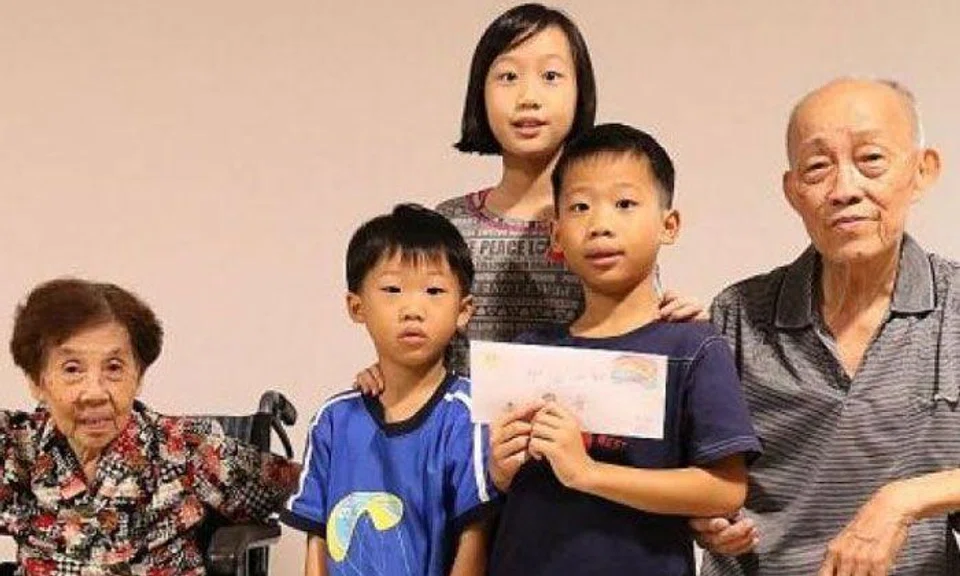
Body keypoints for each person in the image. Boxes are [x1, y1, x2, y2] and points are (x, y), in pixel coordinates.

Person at [356, 3, 699, 393]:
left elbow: (635, 333)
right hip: (468, 443)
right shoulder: (450, 223)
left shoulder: (602, 227)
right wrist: (391, 370)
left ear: (580, 90)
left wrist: (682, 326)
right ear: (479, 92)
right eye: (507, 76)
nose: (528, 97)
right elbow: (425, 333)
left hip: (584, 438)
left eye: (551, 76)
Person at [694, 78, 960, 576]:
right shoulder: (737, 313)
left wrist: (905, 498)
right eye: (818, 167)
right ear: (793, 191)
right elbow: (701, 478)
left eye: (871, 160)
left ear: (923, 171)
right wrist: (704, 519)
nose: (844, 190)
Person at [486, 123, 761, 576]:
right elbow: (493, 486)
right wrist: (498, 471)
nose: (600, 224)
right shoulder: (529, 351)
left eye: (625, 204)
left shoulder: (691, 346)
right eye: (579, 207)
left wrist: (587, 473)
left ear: (668, 225)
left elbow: (725, 489)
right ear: (556, 236)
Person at [0, 278, 300, 575]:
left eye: (114, 367)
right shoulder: (15, 449)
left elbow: (312, 487)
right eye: (72, 369)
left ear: (138, 377)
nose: (95, 392)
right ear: (36, 381)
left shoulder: (187, 450)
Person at [281, 204, 497, 576]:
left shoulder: (468, 414)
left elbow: (474, 536)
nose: (412, 308)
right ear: (356, 306)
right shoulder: (333, 420)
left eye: (433, 290)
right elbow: (316, 536)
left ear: (463, 311)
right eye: (393, 289)